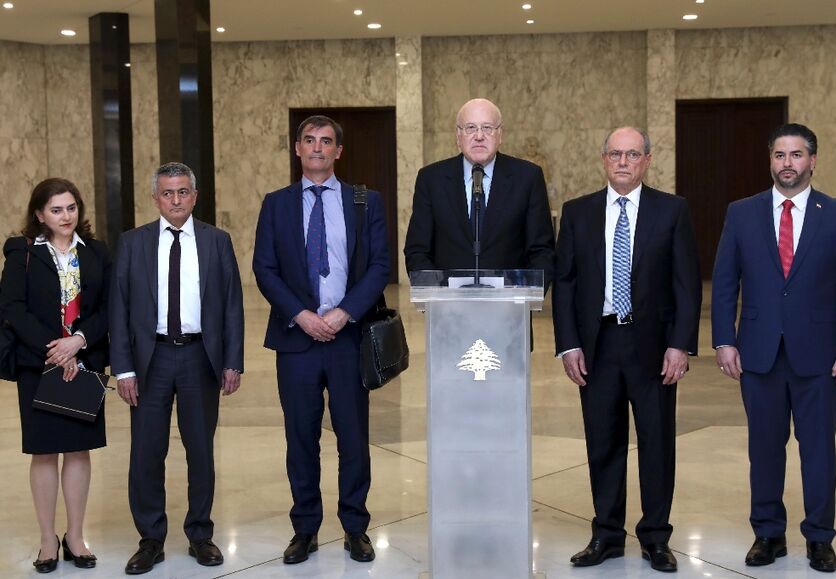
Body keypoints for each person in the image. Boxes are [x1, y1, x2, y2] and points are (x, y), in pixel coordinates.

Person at [711, 123, 836, 573]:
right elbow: (725, 283)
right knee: (764, 448)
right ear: (770, 161)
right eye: (780, 155)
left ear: (812, 161)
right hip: (758, 353)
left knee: (818, 448)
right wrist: (724, 339)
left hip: (821, 357)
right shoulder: (741, 213)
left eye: (796, 155)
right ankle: (768, 533)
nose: (787, 164)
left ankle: (820, 537)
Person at [552, 127, 701, 572]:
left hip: (653, 346)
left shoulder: (672, 211)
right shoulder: (578, 213)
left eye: (632, 154)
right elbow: (565, 284)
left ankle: (656, 537)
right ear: (604, 160)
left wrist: (680, 344)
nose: (622, 161)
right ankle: (607, 535)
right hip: (597, 344)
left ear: (647, 160)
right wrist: (568, 344)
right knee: (604, 442)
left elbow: (687, 284)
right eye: (615, 154)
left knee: (656, 442)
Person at [253, 115, 390, 565]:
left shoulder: (365, 201)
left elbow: (379, 268)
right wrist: (303, 315)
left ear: (338, 151)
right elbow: (265, 269)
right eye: (309, 140)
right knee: (301, 439)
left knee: (353, 438)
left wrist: (343, 313)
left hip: (349, 338)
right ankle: (305, 529)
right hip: (297, 341)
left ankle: (355, 528)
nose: (317, 147)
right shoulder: (276, 204)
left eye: (326, 141)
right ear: (297, 148)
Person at [109, 162, 244, 575]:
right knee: (147, 454)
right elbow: (119, 309)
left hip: (199, 358)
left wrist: (232, 361)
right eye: (167, 193)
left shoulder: (216, 241)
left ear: (195, 196)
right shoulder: (133, 243)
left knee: (200, 451)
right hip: (151, 360)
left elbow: (232, 305)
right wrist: (124, 370)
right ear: (155, 199)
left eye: (183, 192)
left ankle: (200, 534)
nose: (175, 200)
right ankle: (151, 539)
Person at [0, 178, 111, 573]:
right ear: (39, 215)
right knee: (45, 452)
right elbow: (12, 308)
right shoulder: (22, 253)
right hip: (39, 365)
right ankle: (48, 539)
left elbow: (110, 308)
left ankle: (75, 536)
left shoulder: (96, 253)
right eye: (56, 209)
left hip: (83, 364)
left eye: (71, 207)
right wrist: (54, 349)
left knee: (78, 451)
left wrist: (77, 342)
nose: (66, 216)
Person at [404, 98, 555, 284]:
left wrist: (526, 295)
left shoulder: (528, 177)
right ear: (458, 136)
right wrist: (437, 294)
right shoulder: (431, 179)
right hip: (448, 308)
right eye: (470, 128)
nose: (479, 136)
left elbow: (542, 251)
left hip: (510, 307)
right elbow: (417, 250)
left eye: (487, 128)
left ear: (500, 135)